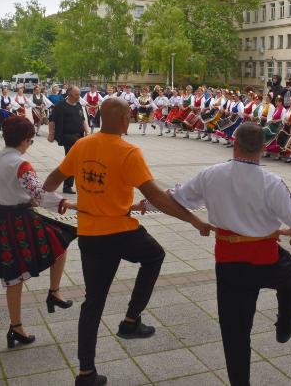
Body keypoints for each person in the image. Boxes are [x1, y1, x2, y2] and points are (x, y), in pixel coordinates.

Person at [139, 122, 291, 386]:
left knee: (235, 335)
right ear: (263, 148)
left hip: (230, 264)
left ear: (234, 144)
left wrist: (146, 203)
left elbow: (176, 197)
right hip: (266, 260)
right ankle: (286, 323)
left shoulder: (211, 175)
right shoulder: (271, 182)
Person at [42, 99, 211, 386]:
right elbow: (157, 197)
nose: (130, 119)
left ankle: (86, 373)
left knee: (93, 302)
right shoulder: (128, 151)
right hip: (120, 232)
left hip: (90, 235)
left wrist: (50, 199)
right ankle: (131, 320)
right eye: (129, 116)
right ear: (123, 119)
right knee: (154, 256)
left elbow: (51, 180)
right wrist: (194, 221)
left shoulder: (82, 146)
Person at [0, 116, 77, 348]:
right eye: (31, 141)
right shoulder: (21, 164)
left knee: (13, 276)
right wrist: (68, 203)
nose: (29, 145)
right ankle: (53, 291)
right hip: (18, 220)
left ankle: (16, 327)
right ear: (25, 140)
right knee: (60, 242)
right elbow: (40, 196)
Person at [48, 86, 89, 194]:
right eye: (76, 95)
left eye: (79, 94)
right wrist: (51, 134)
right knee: (74, 159)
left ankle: (68, 184)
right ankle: (67, 184)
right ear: (70, 94)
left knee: (72, 160)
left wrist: (87, 132)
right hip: (67, 136)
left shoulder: (79, 105)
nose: (78, 97)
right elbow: (51, 120)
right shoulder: (60, 105)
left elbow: (83, 119)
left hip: (79, 136)